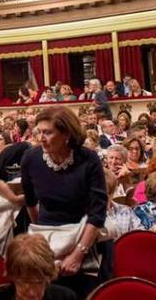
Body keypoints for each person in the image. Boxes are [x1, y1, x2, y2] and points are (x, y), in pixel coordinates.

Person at [20, 106, 107, 295]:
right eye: (39, 132)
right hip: (45, 240)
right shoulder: (31, 157)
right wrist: (46, 236)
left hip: (84, 238)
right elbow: (30, 202)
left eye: (48, 132)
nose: (41, 138)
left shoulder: (88, 159)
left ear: (66, 134)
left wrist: (77, 253)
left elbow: (97, 213)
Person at [0, 234, 77, 300]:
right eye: (24, 282)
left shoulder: (65, 297)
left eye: (38, 282)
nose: (32, 293)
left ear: (48, 276)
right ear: (12, 275)